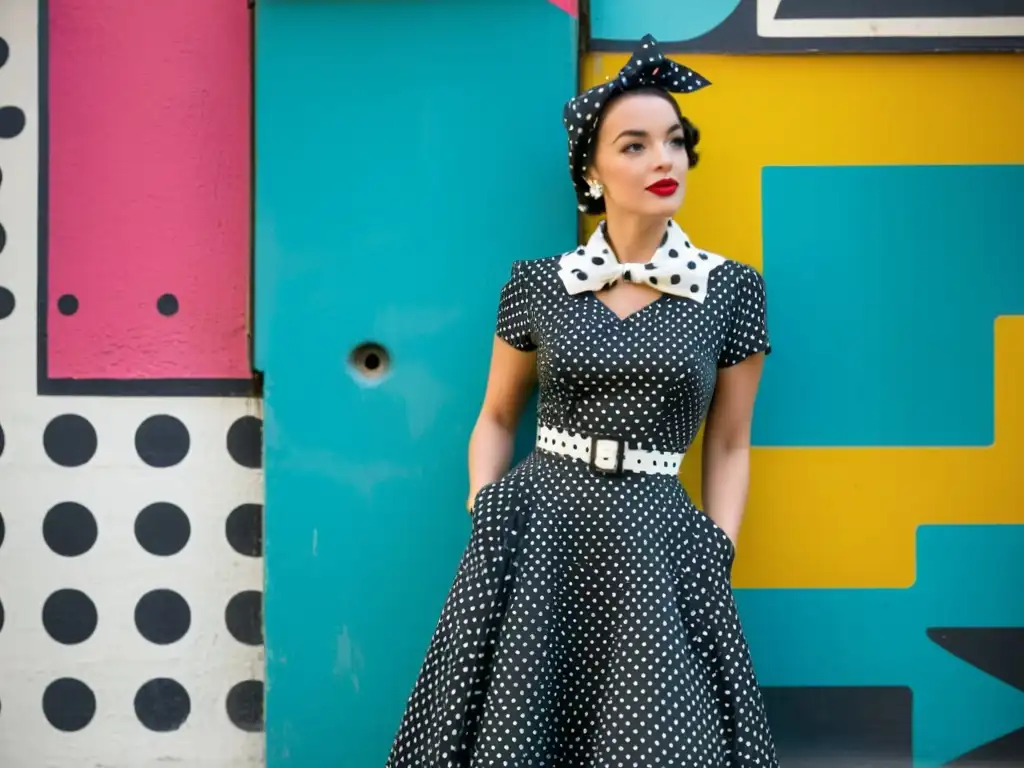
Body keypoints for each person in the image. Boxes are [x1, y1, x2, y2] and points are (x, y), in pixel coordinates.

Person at [386, 34, 778, 768]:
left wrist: (715, 547)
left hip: (655, 546)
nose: (663, 160)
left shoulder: (731, 290)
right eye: (634, 145)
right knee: (519, 730)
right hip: (537, 535)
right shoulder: (538, 284)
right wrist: (487, 505)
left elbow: (729, 442)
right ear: (590, 172)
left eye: (675, 141)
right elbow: (497, 416)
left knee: (657, 738)